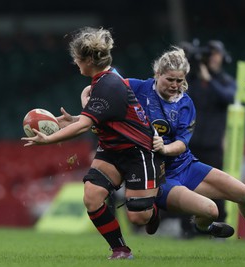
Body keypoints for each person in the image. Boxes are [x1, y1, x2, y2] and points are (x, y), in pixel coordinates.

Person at [81, 46, 245, 248]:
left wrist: (164, 148)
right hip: (161, 176)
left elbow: (182, 144)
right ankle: (204, 226)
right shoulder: (137, 87)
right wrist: (85, 98)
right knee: (211, 211)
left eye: (179, 81)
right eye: (170, 79)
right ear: (157, 73)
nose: (175, 85)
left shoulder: (185, 103)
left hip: (186, 165)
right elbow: (104, 86)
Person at [22, 27, 165, 260]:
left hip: (137, 151)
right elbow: (97, 119)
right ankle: (121, 249)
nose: (76, 62)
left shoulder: (108, 85)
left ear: (89, 59)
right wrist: (76, 118)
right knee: (92, 195)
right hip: (111, 150)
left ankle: (153, 207)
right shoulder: (101, 83)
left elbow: (84, 126)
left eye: (77, 58)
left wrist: (48, 139)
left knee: (139, 217)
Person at [179, 40, 236, 237]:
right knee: (186, 187)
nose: (212, 57)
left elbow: (229, 98)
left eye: (216, 54)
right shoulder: (192, 80)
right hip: (191, 143)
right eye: (209, 54)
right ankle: (188, 229)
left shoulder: (225, 81)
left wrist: (209, 80)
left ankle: (219, 228)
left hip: (212, 145)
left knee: (218, 188)